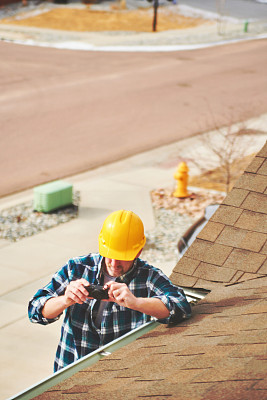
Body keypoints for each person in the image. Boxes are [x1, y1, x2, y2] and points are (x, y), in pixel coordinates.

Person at [28, 210, 191, 372]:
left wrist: (136, 303)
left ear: (138, 251)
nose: (114, 263)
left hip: (118, 376)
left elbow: (181, 307)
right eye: (109, 254)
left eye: (122, 256)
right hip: (69, 371)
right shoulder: (77, 268)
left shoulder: (148, 277)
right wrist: (65, 300)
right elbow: (35, 311)